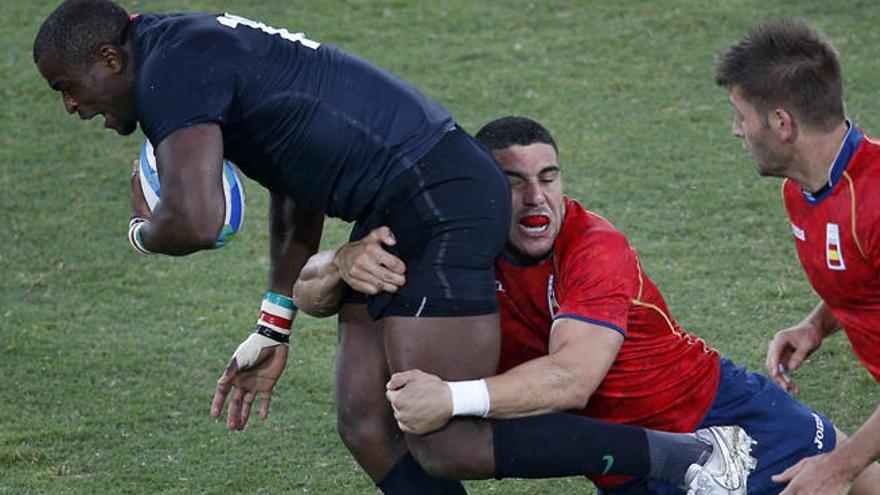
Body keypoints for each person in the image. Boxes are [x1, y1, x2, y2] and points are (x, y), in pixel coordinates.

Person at [33, 2, 748, 494]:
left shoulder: (170, 73)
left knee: (442, 436)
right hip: (397, 202)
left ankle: (690, 458)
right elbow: (293, 180)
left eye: (69, 87)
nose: (70, 106)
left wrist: (140, 229)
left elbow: (193, 219)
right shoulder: (179, 48)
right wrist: (273, 321)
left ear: (108, 58)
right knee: (365, 420)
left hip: (439, 195)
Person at [305, 116, 879, 494]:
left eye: (549, 178)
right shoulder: (450, 243)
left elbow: (571, 381)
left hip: (722, 425)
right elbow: (312, 292)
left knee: (855, 483)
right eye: (514, 182)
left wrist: (451, 398)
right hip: (629, 466)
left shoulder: (593, 247)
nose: (537, 198)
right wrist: (339, 264)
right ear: (479, 188)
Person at [715, 19, 880, 495]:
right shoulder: (804, 189)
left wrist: (839, 466)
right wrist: (818, 323)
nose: (736, 131)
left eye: (742, 116)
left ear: (782, 124)